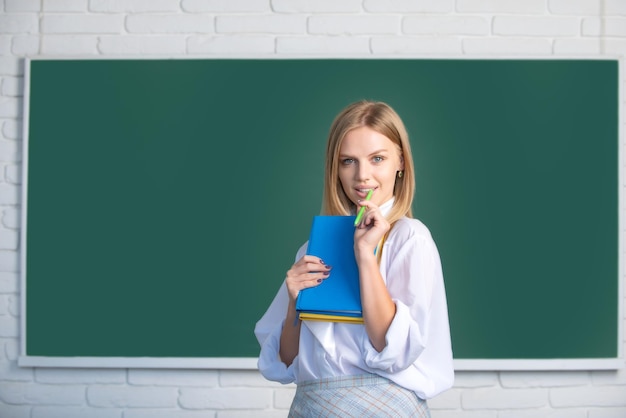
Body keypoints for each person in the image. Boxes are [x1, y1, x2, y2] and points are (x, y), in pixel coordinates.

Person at [254, 100, 454, 417]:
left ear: (400, 161)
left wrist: (365, 255)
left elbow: (390, 349)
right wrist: (294, 302)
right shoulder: (313, 247)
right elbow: (286, 362)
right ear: (335, 167)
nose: (363, 176)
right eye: (348, 161)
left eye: (377, 159)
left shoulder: (409, 238)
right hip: (312, 407)